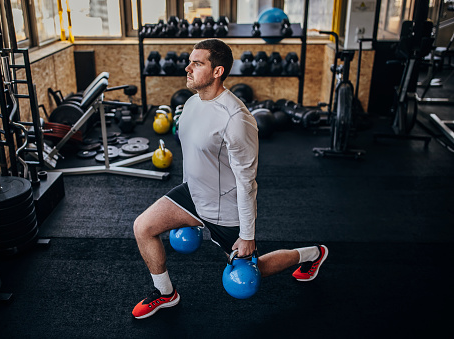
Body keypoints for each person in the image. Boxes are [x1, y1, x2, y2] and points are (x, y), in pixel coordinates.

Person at [132, 39, 328, 320]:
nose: (187, 67)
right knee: (142, 227)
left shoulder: (237, 119)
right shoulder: (190, 104)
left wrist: (247, 235)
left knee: (252, 271)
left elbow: (247, 183)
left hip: (226, 210)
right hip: (193, 194)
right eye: (190, 60)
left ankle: (311, 254)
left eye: (197, 63)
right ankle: (165, 293)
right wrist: (188, 204)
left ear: (217, 71)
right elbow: (190, 155)